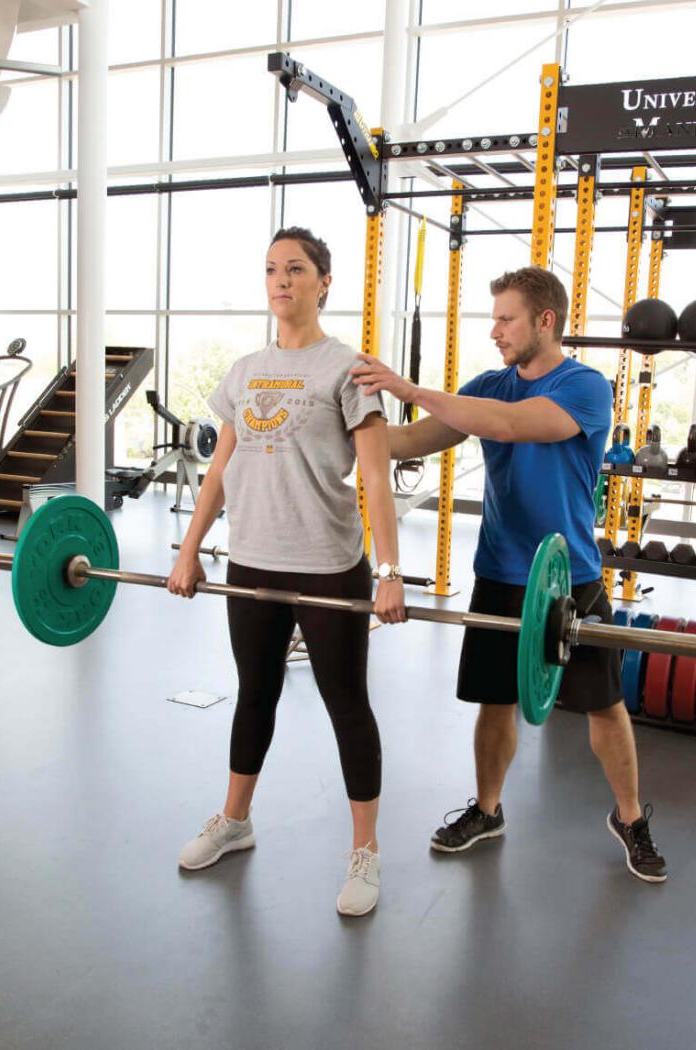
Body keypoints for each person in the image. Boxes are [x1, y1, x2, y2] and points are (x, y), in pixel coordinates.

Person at [350, 265, 667, 884]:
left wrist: (409, 387)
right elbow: (408, 442)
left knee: (604, 706)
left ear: (545, 321)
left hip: (570, 577)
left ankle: (630, 818)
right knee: (494, 703)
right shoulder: (487, 386)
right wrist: (339, 424)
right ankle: (488, 810)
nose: (494, 331)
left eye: (506, 319)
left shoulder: (584, 387)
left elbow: (509, 425)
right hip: (499, 572)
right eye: (493, 318)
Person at [169, 226, 406, 916]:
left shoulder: (349, 370)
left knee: (346, 704)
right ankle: (235, 820)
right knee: (255, 694)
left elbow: (375, 477)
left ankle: (365, 851)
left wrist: (389, 569)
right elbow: (219, 471)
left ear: (324, 283)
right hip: (252, 560)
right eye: (272, 269)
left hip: (328, 564)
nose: (281, 280)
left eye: (296, 269)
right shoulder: (245, 371)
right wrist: (189, 549)